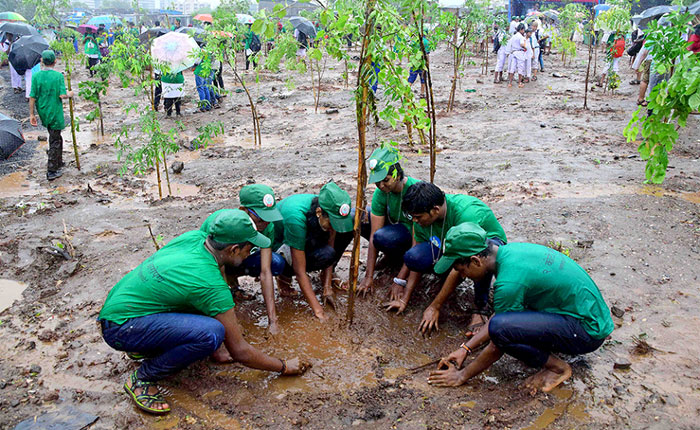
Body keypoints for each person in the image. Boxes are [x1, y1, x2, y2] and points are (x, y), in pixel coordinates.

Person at [99, 210, 309, 415]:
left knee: (205, 320)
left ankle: (146, 345)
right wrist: (283, 366)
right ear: (234, 249)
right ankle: (142, 378)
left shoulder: (195, 238)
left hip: (120, 308)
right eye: (250, 248)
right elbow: (240, 352)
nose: (250, 254)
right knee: (212, 333)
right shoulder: (210, 284)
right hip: (120, 328)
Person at [427, 223, 614, 392]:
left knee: (501, 331)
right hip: (589, 315)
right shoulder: (510, 252)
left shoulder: (509, 282)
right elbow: (504, 314)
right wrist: (465, 349)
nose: (464, 276)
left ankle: (557, 368)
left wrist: (462, 375)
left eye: (462, 270)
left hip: (588, 333)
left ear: (476, 261)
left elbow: (498, 338)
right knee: (502, 324)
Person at [386, 182, 508, 337]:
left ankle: (480, 307)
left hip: (485, 246)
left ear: (435, 210)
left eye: (417, 217)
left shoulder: (467, 214)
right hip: (448, 244)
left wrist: (434, 306)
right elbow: (414, 251)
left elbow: (468, 256)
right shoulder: (420, 216)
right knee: (414, 257)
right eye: (412, 217)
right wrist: (404, 298)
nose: (415, 221)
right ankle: (443, 276)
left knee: (478, 260)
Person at [200, 185, 286, 335]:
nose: (265, 224)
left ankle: (233, 280)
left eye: (269, 218)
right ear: (243, 210)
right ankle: (232, 286)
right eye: (260, 219)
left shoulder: (267, 227)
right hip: (213, 265)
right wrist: (232, 323)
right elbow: (215, 267)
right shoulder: (220, 224)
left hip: (240, 259)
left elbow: (266, 272)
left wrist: (273, 321)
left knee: (276, 262)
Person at [273, 182, 354, 321]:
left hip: (308, 235)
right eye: (332, 223)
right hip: (281, 244)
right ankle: (283, 277)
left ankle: (323, 276)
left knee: (329, 252)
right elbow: (300, 271)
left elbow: (331, 244)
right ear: (318, 213)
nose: (333, 227)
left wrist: (327, 287)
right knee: (281, 262)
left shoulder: (329, 207)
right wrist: (319, 311)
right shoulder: (295, 219)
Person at [357, 147, 421, 297]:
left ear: (397, 174)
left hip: (415, 236)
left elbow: (417, 240)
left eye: (385, 180)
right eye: (377, 183)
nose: (381, 186)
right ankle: (391, 257)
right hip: (394, 230)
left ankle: (400, 260)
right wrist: (368, 277)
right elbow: (373, 235)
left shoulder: (414, 191)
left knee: (384, 237)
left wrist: (400, 279)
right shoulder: (381, 193)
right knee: (359, 217)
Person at [28, 50, 73, 181]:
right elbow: (62, 95)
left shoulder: (36, 76)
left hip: (43, 111)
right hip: (54, 111)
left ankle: (58, 161)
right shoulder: (58, 76)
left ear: (42, 61)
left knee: (56, 136)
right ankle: (52, 170)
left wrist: (32, 114)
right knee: (54, 140)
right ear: (55, 61)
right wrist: (70, 94)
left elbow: (32, 97)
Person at [507, 24, 527, 88]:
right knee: (520, 68)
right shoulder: (521, 37)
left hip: (513, 52)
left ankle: (510, 83)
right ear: (521, 29)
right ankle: (519, 83)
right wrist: (525, 47)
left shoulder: (514, 36)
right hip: (519, 52)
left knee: (512, 68)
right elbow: (521, 44)